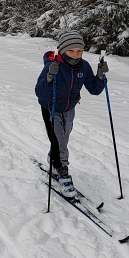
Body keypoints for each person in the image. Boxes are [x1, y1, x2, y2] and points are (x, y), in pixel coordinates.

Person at [35, 29, 108, 197]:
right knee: (59, 141)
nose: (76, 55)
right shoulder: (52, 66)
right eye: (71, 51)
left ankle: (53, 157)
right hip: (50, 108)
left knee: (63, 138)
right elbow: (40, 93)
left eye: (79, 51)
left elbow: (95, 90)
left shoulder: (84, 67)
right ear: (61, 50)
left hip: (69, 108)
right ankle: (63, 173)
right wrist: (49, 77)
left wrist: (100, 75)